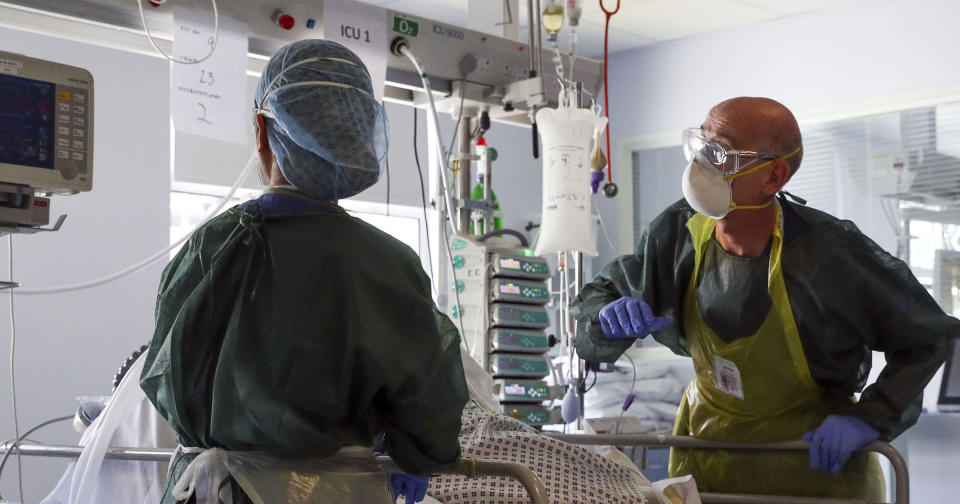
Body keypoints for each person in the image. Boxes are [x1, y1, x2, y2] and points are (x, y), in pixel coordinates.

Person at [570, 96, 958, 500]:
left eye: (719, 152)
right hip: (707, 462)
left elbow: (926, 336)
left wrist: (871, 418)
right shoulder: (678, 233)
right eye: (700, 145)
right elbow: (595, 306)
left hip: (811, 467)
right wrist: (606, 318)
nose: (700, 164)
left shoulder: (829, 255)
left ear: (773, 177)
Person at [140, 39, 469, 504]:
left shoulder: (206, 249)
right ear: (359, 138)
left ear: (261, 130)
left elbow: (164, 378)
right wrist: (413, 454)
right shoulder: (387, 266)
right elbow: (431, 416)